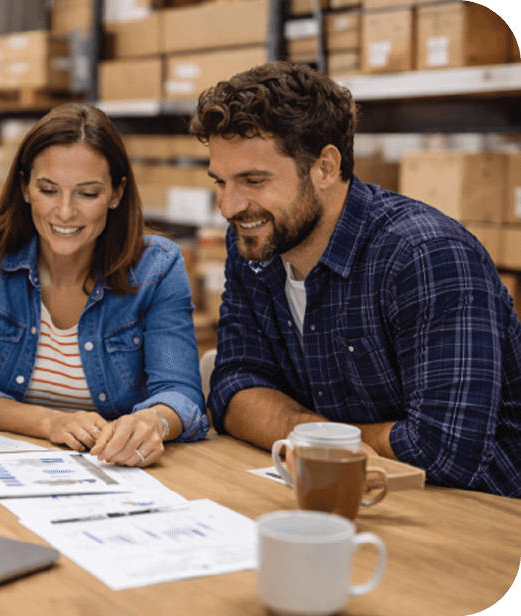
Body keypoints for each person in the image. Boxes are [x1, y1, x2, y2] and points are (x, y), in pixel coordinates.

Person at [192, 61, 521, 497]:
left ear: (325, 167)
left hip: (480, 514)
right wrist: (310, 433)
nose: (230, 206)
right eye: (221, 182)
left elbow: (445, 450)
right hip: (346, 495)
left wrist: (304, 437)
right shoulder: (256, 245)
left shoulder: (426, 256)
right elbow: (234, 384)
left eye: (253, 180)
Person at [0, 103, 209, 467]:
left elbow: (181, 394)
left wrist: (152, 422)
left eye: (87, 193)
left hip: (119, 473)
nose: (65, 212)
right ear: (25, 187)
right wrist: (51, 422)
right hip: (5, 467)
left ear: (116, 194)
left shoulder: (158, 266)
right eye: (48, 190)